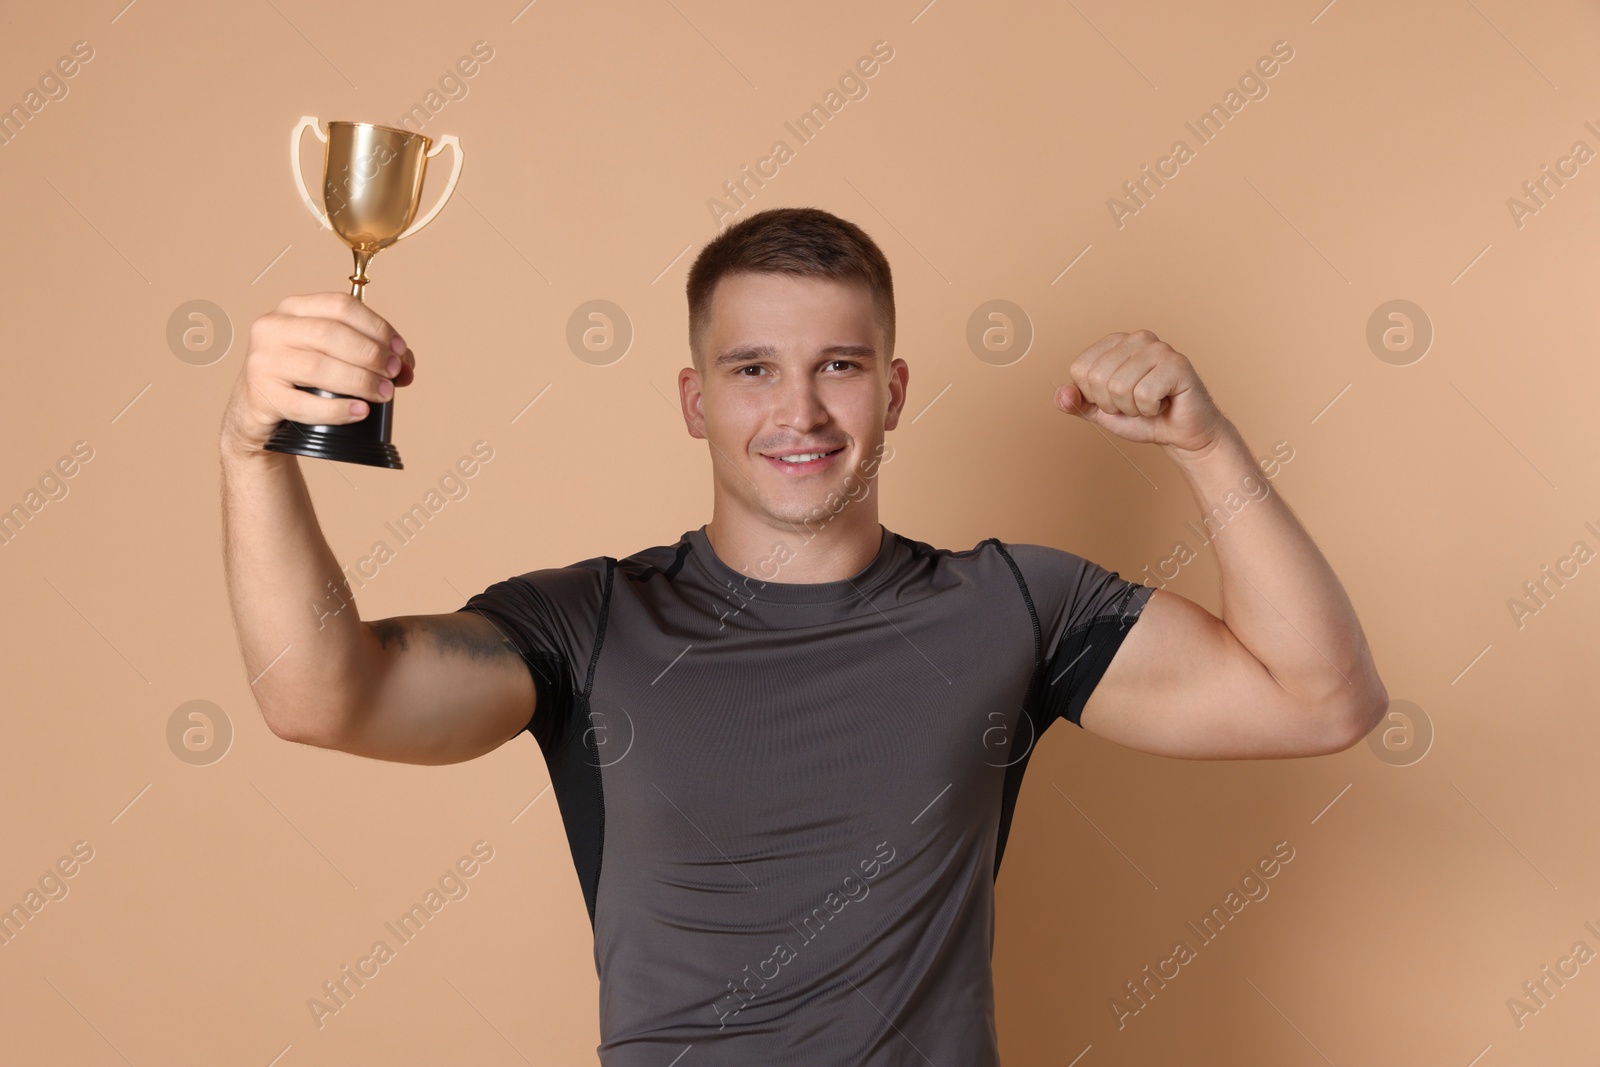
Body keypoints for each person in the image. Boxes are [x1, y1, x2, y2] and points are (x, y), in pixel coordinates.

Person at [219, 206, 1387, 1064]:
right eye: (752, 370)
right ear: (694, 400)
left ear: (894, 388)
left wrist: (1206, 448)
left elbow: (1320, 699)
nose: (799, 412)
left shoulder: (1015, 607)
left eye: (838, 365)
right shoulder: (589, 621)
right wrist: (254, 454)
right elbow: (321, 695)